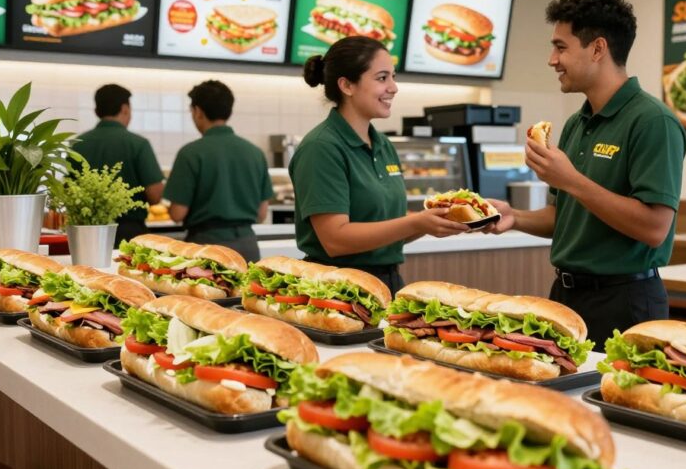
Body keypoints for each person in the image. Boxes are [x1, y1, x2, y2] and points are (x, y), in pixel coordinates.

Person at [486, 0, 686, 348]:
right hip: (565, 295)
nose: (552, 60)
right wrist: (514, 217)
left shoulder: (653, 121)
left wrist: (572, 180)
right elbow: (561, 215)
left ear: (597, 49)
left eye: (561, 47)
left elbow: (655, 228)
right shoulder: (579, 121)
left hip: (625, 301)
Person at [291, 36, 468, 293]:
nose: (394, 87)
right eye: (382, 78)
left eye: (393, 77)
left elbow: (388, 226)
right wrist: (418, 223)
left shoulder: (383, 145)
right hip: (338, 289)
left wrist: (437, 221)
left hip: (387, 282)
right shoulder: (322, 146)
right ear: (347, 85)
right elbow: (335, 239)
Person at [164, 80, 273, 262]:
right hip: (247, 246)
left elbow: (177, 214)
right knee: (247, 291)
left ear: (198, 112)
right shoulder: (255, 153)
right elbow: (261, 214)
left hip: (206, 247)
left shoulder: (190, 153)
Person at [73, 84, 164, 245]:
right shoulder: (138, 144)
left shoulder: (78, 145)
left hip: (87, 234)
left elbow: (69, 193)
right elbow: (155, 195)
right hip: (130, 234)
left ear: (96, 111)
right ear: (125, 109)